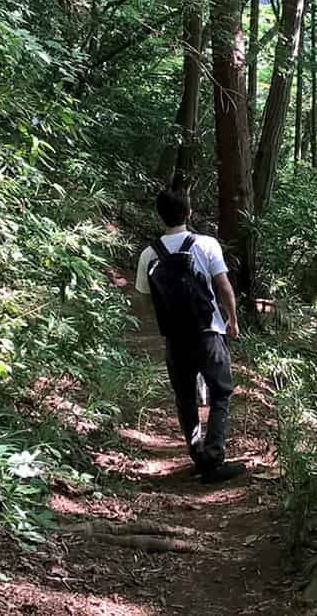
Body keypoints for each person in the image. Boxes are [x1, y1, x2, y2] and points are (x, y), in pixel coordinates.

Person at [135, 182, 246, 484]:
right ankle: (214, 458)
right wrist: (232, 320)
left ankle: (198, 456)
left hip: (175, 338)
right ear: (189, 212)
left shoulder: (148, 254)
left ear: (160, 215)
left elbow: (144, 300)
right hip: (208, 333)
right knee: (221, 392)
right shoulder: (206, 244)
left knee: (184, 398)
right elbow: (224, 287)